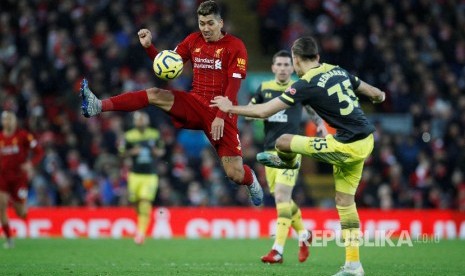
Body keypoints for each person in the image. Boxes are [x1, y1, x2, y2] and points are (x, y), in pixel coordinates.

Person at [211, 36, 385, 276]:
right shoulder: (337, 70)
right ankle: (354, 265)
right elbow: (373, 93)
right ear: (318, 57)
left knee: (283, 142)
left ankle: (287, 161)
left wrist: (230, 107)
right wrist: (381, 97)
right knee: (345, 203)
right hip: (366, 140)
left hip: (347, 146)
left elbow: (263, 110)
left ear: (296, 61)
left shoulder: (305, 84)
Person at [80, 0, 263, 206]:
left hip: (222, 111)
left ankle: (251, 180)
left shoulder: (235, 46)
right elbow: (167, 65)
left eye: (210, 23)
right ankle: (98, 105)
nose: (205, 28)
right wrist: (150, 48)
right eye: (202, 23)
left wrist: (221, 115)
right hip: (194, 102)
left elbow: (234, 85)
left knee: (235, 174)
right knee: (155, 93)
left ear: (221, 23)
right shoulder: (193, 40)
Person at [249, 50, 325, 264]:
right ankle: (304, 234)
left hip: (290, 150)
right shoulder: (264, 89)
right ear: (273, 68)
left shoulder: (298, 89)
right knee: (283, 199)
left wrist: (320, 126)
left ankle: (278, 250)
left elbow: (312, 111)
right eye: (279, 65)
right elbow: (252, 110)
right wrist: (236, 111)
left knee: (281, 197)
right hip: (269, 152)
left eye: (286, 65)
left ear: (292, 68)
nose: (282, 68)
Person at [119, 111, 165, 245]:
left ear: (147, 121)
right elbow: (121, 153)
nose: (141, 122)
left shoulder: (154, 134)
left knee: (145, 202)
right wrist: (131, 152)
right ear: (135, 122)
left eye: (143, 119)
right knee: (135, 202)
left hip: (150, 175)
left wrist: (156, 152)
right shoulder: (129, 136)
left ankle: (140, 233)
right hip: (135, 175)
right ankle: (141, 224)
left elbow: (162, 151)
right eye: (139, 120)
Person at [0, 111, 44, 249]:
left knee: (21, 213)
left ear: (15, 121)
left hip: (19, 179)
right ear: (2, 122)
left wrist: (30, 164)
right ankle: (9, 240)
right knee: (1, 208)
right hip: (3, 178)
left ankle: (23, 208)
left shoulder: (23, 136)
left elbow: (39, 151)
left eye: (10, 119)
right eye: (5, 119)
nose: (8, 121)